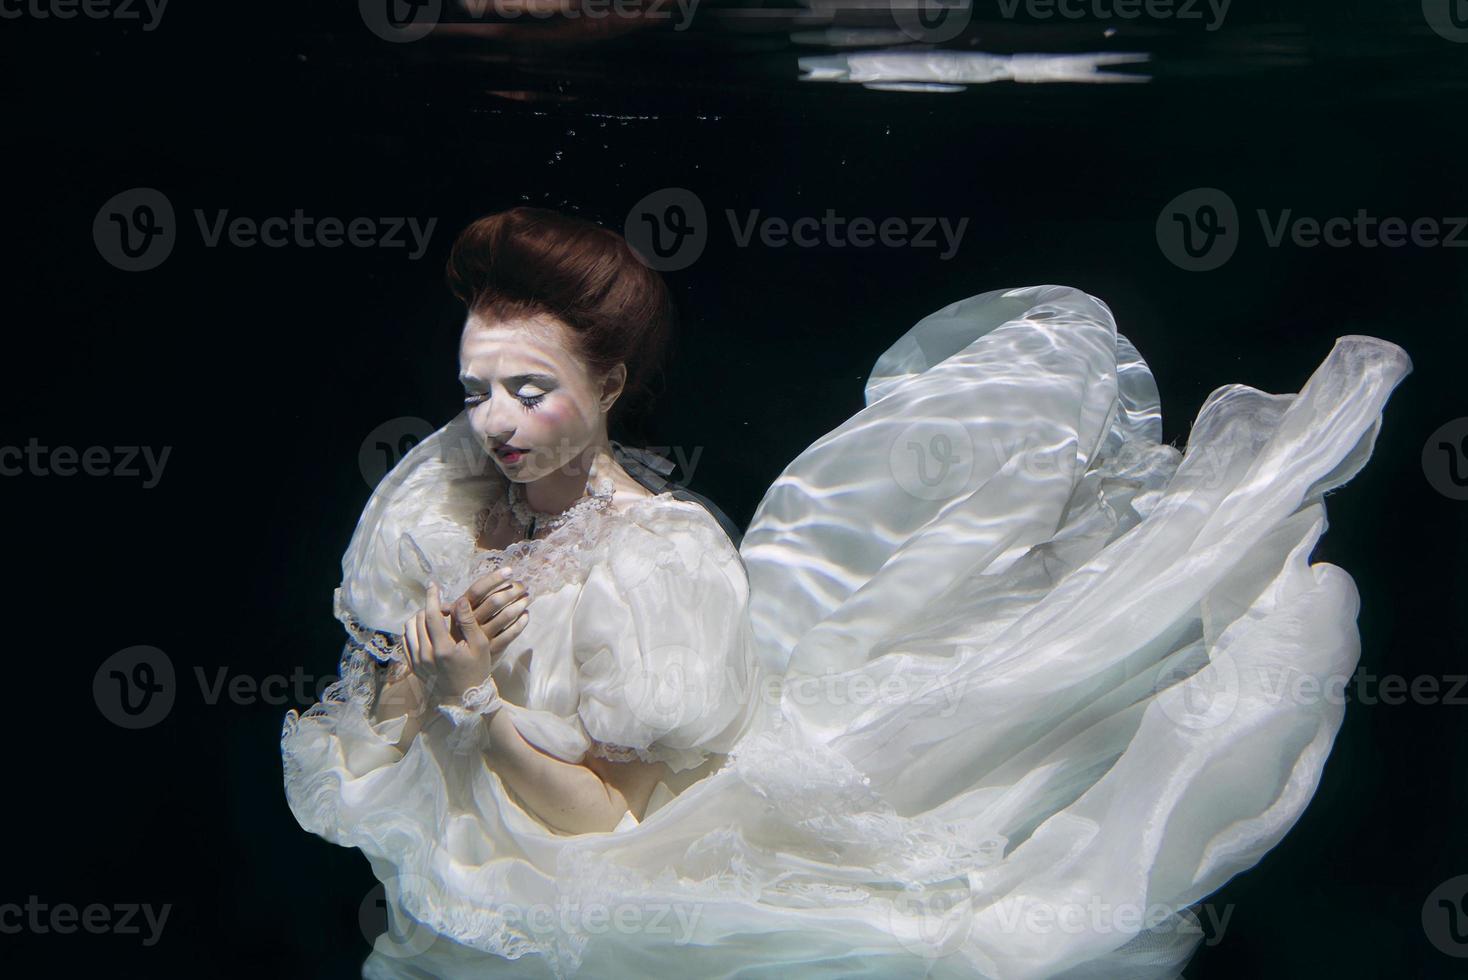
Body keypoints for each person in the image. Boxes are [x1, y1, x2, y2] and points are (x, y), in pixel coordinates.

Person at [281, 207, 1412, 978]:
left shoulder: (660, 560)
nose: (492, 421)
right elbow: (373, 723)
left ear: (611, 383)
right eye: (478, 388)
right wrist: (418, 690)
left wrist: (471, 704)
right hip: (451, 887)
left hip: (584, 895)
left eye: (529, 389)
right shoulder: (447, 497)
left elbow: (618, 824)